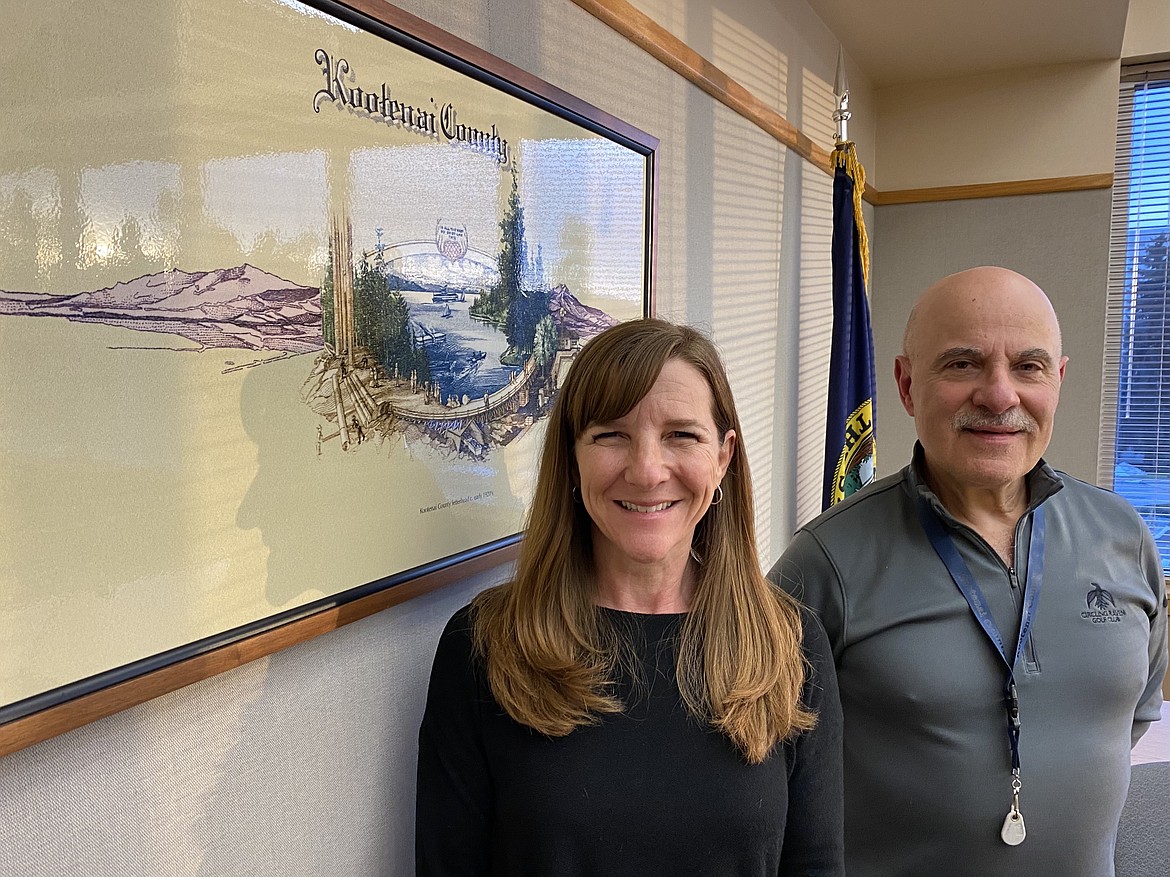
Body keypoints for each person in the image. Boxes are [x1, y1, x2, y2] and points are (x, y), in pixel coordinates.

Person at [769, 266, 1168, 876]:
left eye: (1028, 367)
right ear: (906, 385)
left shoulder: (1122, 537)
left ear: (1057, 382)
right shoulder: (825, 565)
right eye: (962, 364)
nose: (1000, 395)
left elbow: (1133, 710)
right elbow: (762, 765)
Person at [417, 318, 844, 876]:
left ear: (723, 457)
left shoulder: (791, 645)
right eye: (611, 434)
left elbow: (815, 866)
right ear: (572, 456)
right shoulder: (486, 646)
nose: (646, 471)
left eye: (681, 435)